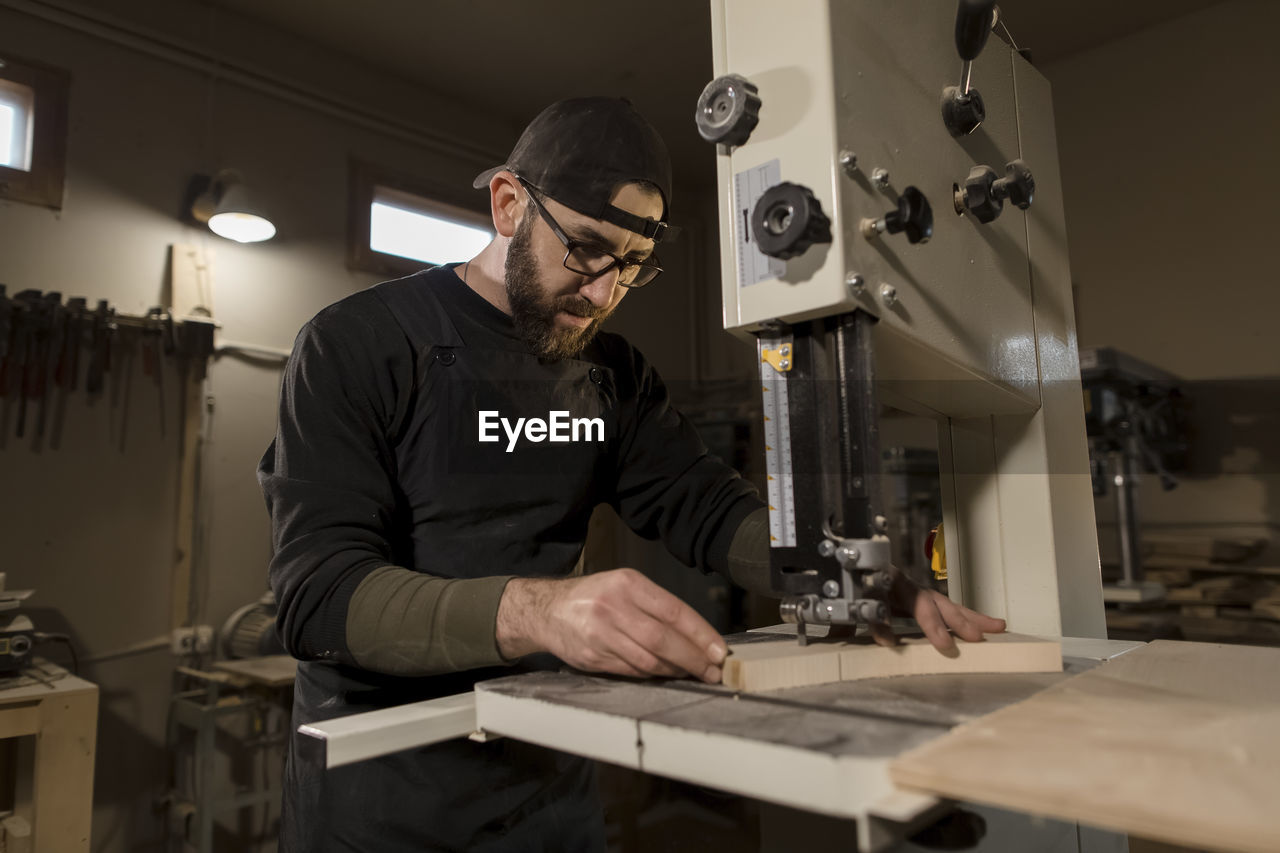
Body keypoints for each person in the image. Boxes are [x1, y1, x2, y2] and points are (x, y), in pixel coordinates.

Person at [258, 96, 1005, 852]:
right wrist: (538, 611)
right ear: (510, 204)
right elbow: (319, 597)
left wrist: (837, 565)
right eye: (584, 249)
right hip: (384, 803)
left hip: (551, 795)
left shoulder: (611, 376)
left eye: (633, 267)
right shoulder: (358, 344)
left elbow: (709, 507)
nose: (603, 293)